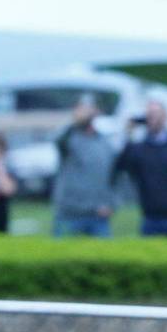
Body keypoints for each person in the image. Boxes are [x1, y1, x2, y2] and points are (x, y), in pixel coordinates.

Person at [114, 99, 167, 236]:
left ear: (165, 117)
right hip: (151, 218)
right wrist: (128, 135)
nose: (153, 119)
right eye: (149, 115)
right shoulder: (140, 148)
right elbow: (121, 167)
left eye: (157, 114)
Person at [52, 97, 117, 237]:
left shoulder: (104, 142)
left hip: (99, 215)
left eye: (88, 109)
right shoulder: (68, 138)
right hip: (68, 214)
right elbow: (58, 140)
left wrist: (111, 204)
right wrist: (76, 122)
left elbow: (114, 176)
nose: (85, 112)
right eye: (81, 109)